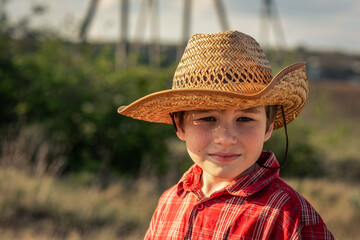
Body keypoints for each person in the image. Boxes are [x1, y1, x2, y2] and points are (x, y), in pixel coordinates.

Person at [118, 30, 335, 239]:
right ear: (179, 126)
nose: (225, 138)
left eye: (245, 119)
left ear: (268, 127)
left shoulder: (287, 214)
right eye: (207, 119)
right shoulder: (170, 201)